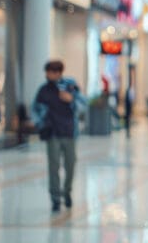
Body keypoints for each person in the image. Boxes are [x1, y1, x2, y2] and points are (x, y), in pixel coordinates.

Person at [31, 60, 85, 212]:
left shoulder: (70, 86)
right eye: (48, 72)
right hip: (53, 133)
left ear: (59, 73)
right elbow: (34, 109)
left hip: (69, 132)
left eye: (52, 72)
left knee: (70, 165)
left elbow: (84, 104)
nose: (49, 75)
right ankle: (55, 198)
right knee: (53, 167)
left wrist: (71, 99)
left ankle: (67, 192)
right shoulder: (44, 90)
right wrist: (40, 123)